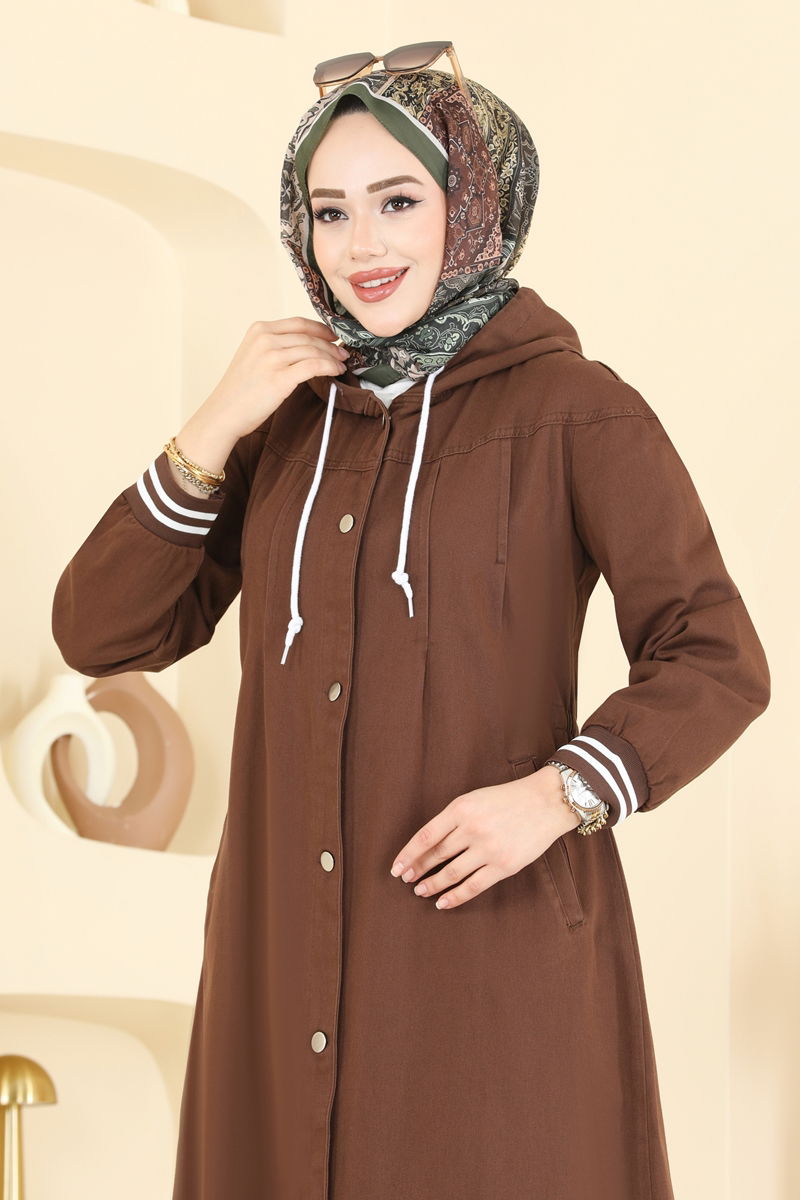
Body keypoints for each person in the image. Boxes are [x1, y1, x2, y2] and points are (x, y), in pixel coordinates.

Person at [52, 43, 771, 1200]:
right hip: (282, 963)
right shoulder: (286, 427)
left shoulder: (576, 411)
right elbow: (102, 631)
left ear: (473, 204)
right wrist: (214, 422)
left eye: (397, 201)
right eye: (329, 211)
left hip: (489, 958)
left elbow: (714, 653)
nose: (361, 246)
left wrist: (557, 795)